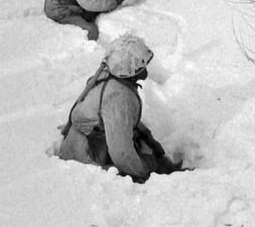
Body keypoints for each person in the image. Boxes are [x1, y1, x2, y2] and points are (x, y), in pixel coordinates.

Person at [58, 34, 184, 181]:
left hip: (89, 138)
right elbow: (122, 154)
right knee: (145, 160)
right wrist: (145, 172)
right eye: (142, 65)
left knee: (145, 141)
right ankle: (165, 178)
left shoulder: (110, 74)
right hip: (85, 154)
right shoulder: (119, 99)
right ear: (131, 70)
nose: (146, 68)